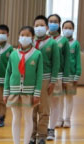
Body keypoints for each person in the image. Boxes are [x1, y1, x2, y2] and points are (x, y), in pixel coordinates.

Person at [4, 26, 42, 144]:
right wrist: (6, 91)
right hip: (14, 91)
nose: (24, 37)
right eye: (22, 35)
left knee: (28, 118)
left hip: (29, 92)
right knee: (16, 118)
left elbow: (39, 75)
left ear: (32, 37)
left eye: (27, 35)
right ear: (18, 36)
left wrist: (37, 93)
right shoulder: (13, 54)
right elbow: (8, 73)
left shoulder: (37, 54)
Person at [31, 15, 60, 144]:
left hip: (45, 79)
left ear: (47, 27)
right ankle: (31, 135)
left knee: (44, 109)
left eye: (42, 25)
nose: (39, 28)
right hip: (31, 80)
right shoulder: (30, 42)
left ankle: (42, 136)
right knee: (31, 109)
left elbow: (56, 64)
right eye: (36, 25)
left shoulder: (52, 43)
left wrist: (53, 81)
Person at [47, 14, 70, 140]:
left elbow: (67, 61)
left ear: (59, 24)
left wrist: (65, 79)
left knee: (55, 103)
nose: (53, 23)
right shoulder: (42, 39)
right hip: (43, 76)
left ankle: (51, 128)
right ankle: (42, 127)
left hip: (58, 76)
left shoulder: (64, 41)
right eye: (50, 21)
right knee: (43, 105)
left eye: (55, 21)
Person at [59, 21, 81, 128]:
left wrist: (77, 74)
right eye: (65, 27)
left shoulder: (76, 44)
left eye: (70, 28)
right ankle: (59, 119)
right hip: (60, 75)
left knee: (69, 98)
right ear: (62, 29)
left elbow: (78, 60)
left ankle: (67, 119)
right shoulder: (59, 42)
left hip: (71, 75)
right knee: (59, 98)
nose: (67, 29)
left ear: (73, 29)